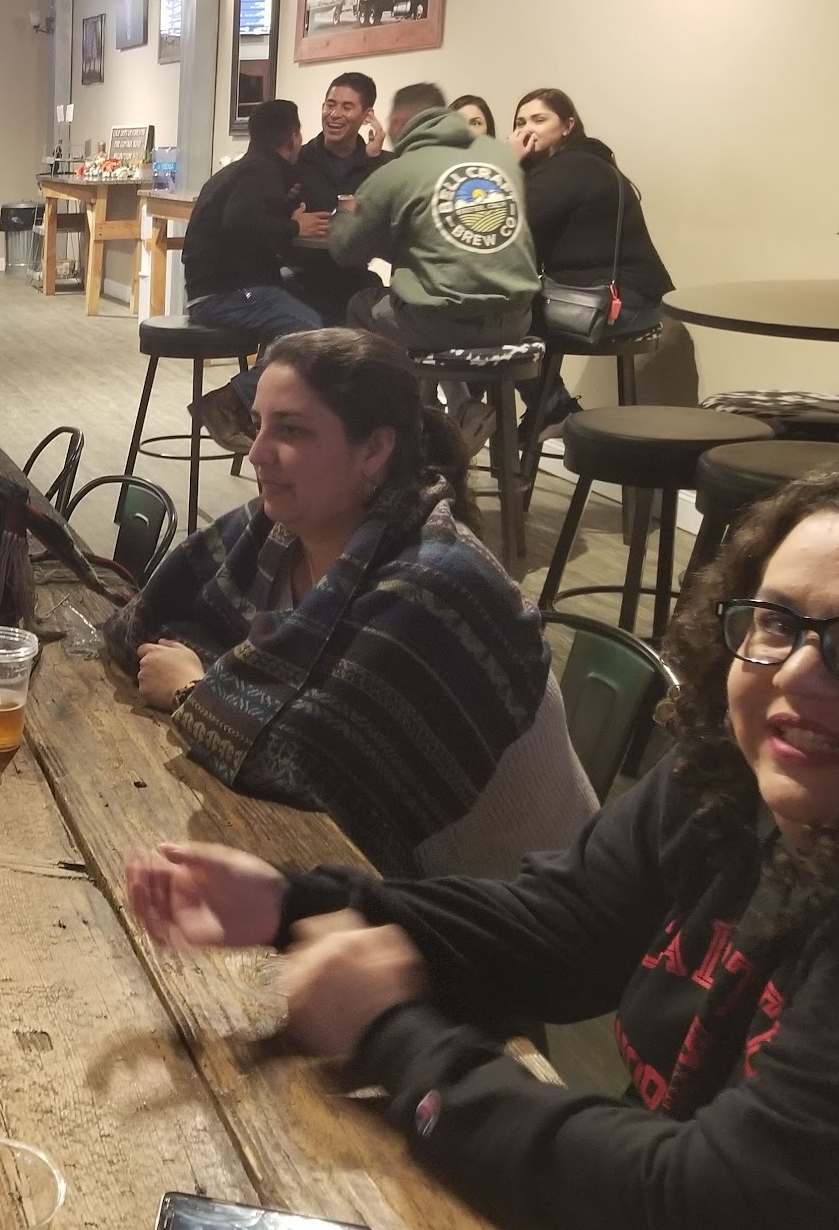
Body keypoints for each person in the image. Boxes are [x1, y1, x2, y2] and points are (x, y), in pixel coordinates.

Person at [126, 466, 839, 1230]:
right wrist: (297, 901)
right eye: (778, 623)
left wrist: (399, 1040)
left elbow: (712, 1219)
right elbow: (565, 926)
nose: (801, 673)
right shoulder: (728, 777)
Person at [104, 329, 595, 879]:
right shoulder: (275, 531)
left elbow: (313, 770)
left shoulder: (437, 585)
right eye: (257, 424)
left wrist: (193, 692)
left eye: (291, 430)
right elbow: (154, 625)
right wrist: (226, 692)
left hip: (516, 902)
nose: (257, 452)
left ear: (374, 450)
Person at [329, 82, 540, 454]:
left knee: (364, 305)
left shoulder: (399, 171)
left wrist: (346, 206)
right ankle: (461, 409)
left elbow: (345, 248)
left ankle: (380, 433)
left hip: (443, 324)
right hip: (518, 321)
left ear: (398, 122)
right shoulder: (500, 157)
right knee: (432, 297)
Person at [511, 87, 675, 439]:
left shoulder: (572, 166)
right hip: (631, 299)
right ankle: (547, 408)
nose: (527, 129)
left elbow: (512, 224)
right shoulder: (580, 163)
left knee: (501, 318)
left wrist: (507, 163)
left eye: (539, 119)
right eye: (520, 122)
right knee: (506, 311)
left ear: (568, 126)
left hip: (619, 303)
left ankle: (551, 409)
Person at [178, 99, 327, 451]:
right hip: (227, 293)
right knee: (311, 332)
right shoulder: (262, 171)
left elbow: (245, 219)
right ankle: (231, 402)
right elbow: (241, 222)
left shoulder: (240, 170)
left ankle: (261, 413)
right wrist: (294, 226)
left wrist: (285, 216)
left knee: (304, 302)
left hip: (209, 290)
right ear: (293, 138)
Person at [284, 72, 390, 325]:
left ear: (367, 116)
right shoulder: (296, 160)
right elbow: (263, 214)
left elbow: (386, 211)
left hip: (354, 275)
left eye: (347, 107)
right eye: (330, 105)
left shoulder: (381, 164)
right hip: (300, 275)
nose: (334, 114)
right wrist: (291, 221)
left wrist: (374, 159)